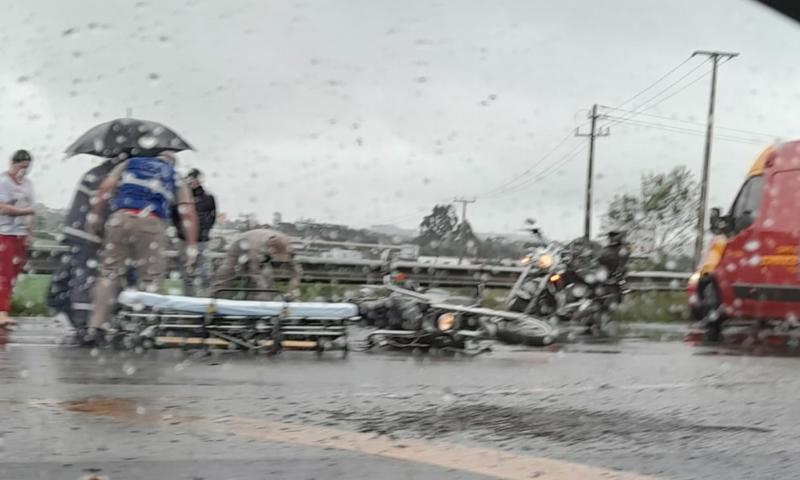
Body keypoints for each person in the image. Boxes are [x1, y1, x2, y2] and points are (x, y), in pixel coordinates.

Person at [86, 151, 198, 339]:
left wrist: (95, 217)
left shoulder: (130, 163)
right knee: (150, 278)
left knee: (109, 273)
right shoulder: (173, 174)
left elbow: (105, 188)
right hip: (151, 223)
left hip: (119, 218)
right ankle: (145, 329)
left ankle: (96, 327)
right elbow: (187, 211)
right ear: (172, 163)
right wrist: (191, 245)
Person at [46, 155, 126, 341]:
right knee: (86, 278)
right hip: (88, 235)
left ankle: (61, 304)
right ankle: (83, 322)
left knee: (71, 274)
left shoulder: (94, 173)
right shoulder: (106, 178)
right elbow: (103, 207)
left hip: (75, 230)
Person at [211, 228, 301, 300]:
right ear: (272, 250)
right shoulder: (256, 246)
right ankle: (215, 296)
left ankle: (259, 302)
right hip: (241, 244)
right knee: (227, 271)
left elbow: (295, 272)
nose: (281, 261)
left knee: (267, 275)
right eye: (278, 256)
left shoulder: (288, 246)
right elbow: (255, 272)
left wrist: (293, 289)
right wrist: (263, 291)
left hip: (262, 249)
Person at [0, 150, 35, 328]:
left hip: (20, 234)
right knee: (4, 274)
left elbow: (31, 208)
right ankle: (2, 312)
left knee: (14, 273)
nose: (24, 171)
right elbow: (2, 207)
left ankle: (5, 309)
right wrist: (22, 211)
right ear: (13, 164)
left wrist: (29, 233)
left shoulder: (28, 184)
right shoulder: (3, 182)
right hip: (4, 233)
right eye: (21, 167)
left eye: (27, 167)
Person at [171, 168, 216, 296]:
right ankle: (188, 301)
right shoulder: (179, 198)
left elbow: (212, 216)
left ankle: (204, 302)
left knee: (204, 274)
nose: (194, 182)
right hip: (184, 240)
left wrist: (204, 229)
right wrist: (181, 230)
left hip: (202, 240)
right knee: (186, 274)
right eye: (191, 179)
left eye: (196, 179)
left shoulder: (208, 198)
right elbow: (174, 215)